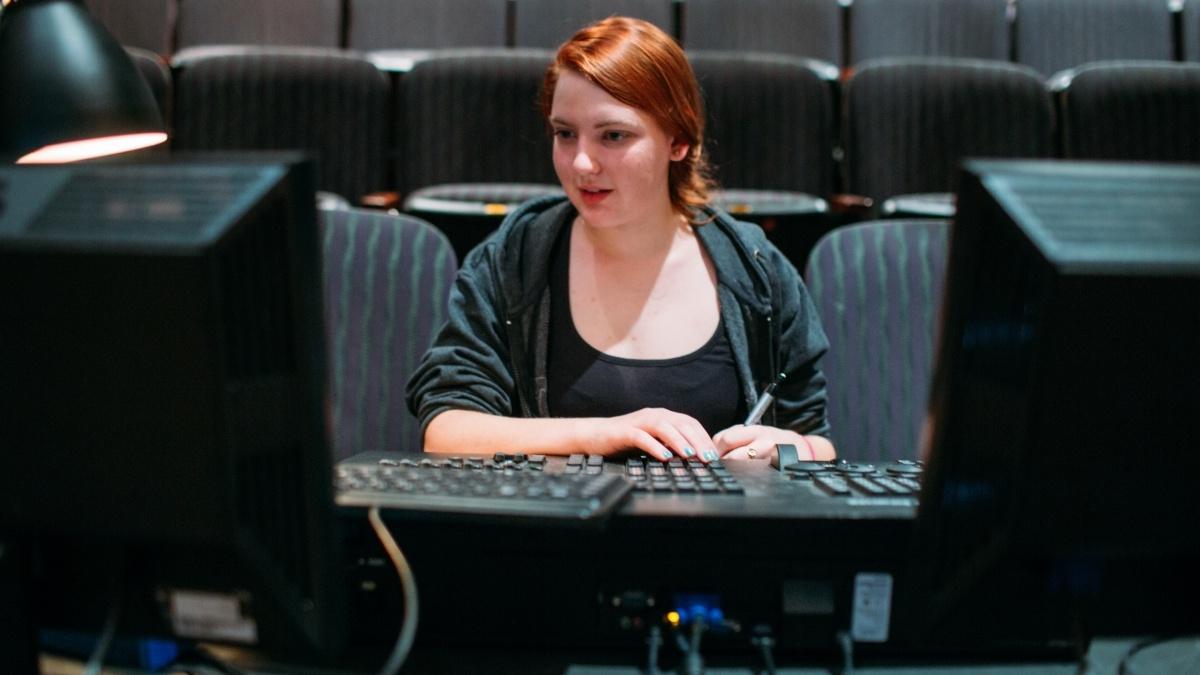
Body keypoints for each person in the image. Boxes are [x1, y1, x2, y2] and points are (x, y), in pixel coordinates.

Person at [406, 16, 835, 463]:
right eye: (565, 134)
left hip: (716, 532)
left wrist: (792, 448)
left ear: (679, 141)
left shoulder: (756, 266)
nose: (582, 163)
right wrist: (603, 433)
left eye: (613, 135)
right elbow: (446, 429)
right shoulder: (515, 256)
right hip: (559, 530)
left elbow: (816, 439)